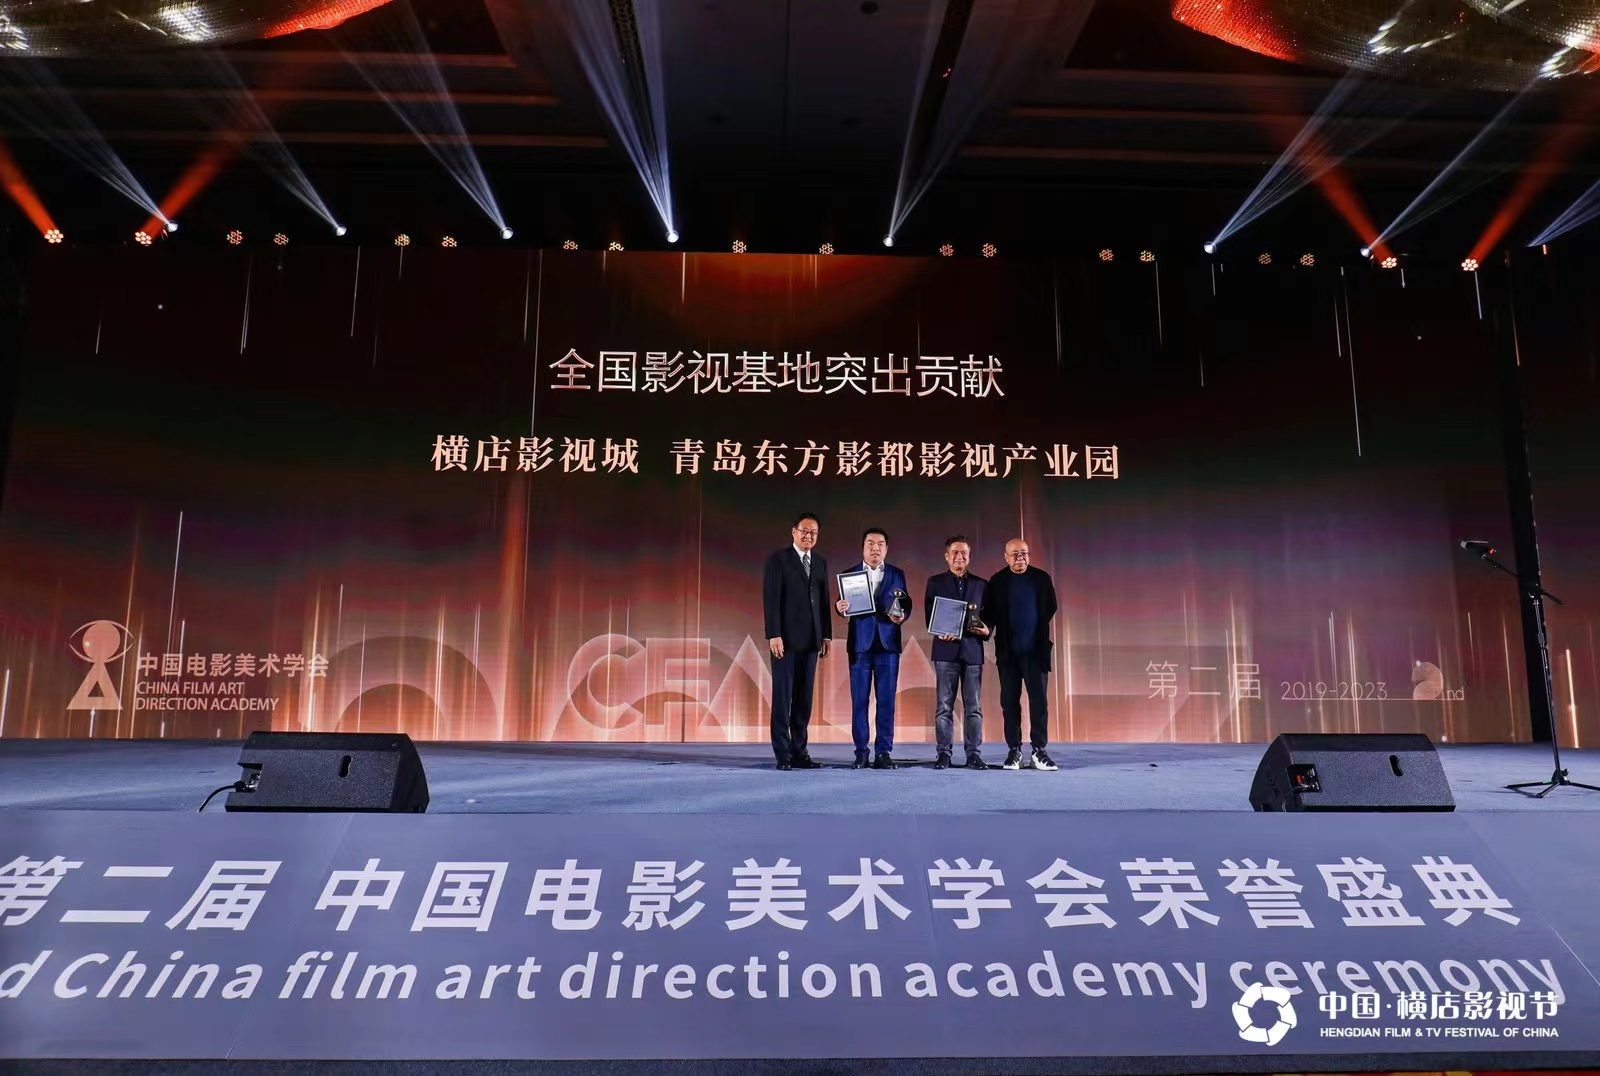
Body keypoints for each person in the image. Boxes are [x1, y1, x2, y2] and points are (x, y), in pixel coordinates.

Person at [834, 527, 910, 769]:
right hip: (860, 645)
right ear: (863, 547)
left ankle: (884, 752)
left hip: (888, 646)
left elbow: (906, 603)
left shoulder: (897, 574)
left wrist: (902, 616)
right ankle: (861, 753)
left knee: (886, 702)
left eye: (880, 544)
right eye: (870, 544)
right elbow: (843, 606)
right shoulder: (849, 575)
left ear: (886, 548)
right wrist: (839, 608)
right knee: (859, 702)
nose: (875, 548)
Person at [763, 512, 832, 770]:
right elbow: (771, 599)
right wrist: (774, 634)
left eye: (813, 532)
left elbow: (824, 601)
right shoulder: (778, 560)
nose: (808, 536)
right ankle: (783, 754)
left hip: (811, 642)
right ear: (794, 532)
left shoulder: (820, 562)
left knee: (804, 701)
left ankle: (800, 752)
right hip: (785, 642)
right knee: (783, 698)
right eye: (804, 531)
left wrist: (826, 634)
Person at [983, 538, 1059, 771]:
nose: (1020, 558)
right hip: (1008, 654)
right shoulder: (997, 581)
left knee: (1039, 702)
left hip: (1036, 652)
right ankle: (1014, 750)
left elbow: (1051, 607)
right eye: (1015, 554)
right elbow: (989, 614)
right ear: (1006, 557)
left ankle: (1039, 751)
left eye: (1024, 553)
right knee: (1009, 702)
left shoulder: (1042, 578)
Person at [923, 535, 990, 770]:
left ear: (969, 556)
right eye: (955, 553)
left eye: (964, 553)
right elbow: (930, 616)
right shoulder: (935, 582)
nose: (959, 557)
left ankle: (974, 754)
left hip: (972, 652)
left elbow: (989, 617)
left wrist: (986, 629)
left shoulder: (982, 585)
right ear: (946, 556)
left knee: (974, 708)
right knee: (944, 707)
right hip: (945, 651)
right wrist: (939, 630)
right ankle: (944, 754)